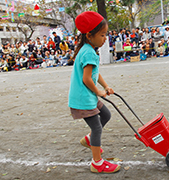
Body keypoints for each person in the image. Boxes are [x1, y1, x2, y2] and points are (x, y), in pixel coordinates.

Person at [68, 11, 121, 174]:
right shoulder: (89, 52)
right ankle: (97, 163)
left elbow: (94, 74)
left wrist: (105, 86)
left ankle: (89, 139)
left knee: (105, 115)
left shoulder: (87, 49)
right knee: (97, 128)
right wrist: (99, 91)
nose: (105, 38)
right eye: (102, 35)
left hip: (87, 95)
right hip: (84, 98)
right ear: (90, 35)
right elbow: (86, 79)